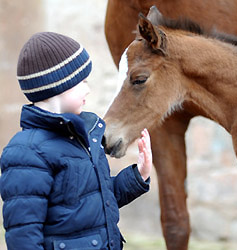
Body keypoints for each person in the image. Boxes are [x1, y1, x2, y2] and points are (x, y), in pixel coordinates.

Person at [0, 32, 152, 250]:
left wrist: (139, 174)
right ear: (57, 86)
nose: (87, 89)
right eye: (82, 81)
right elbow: (23, 236)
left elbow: (97, 201)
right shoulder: (26, 152)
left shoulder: (85, 136)